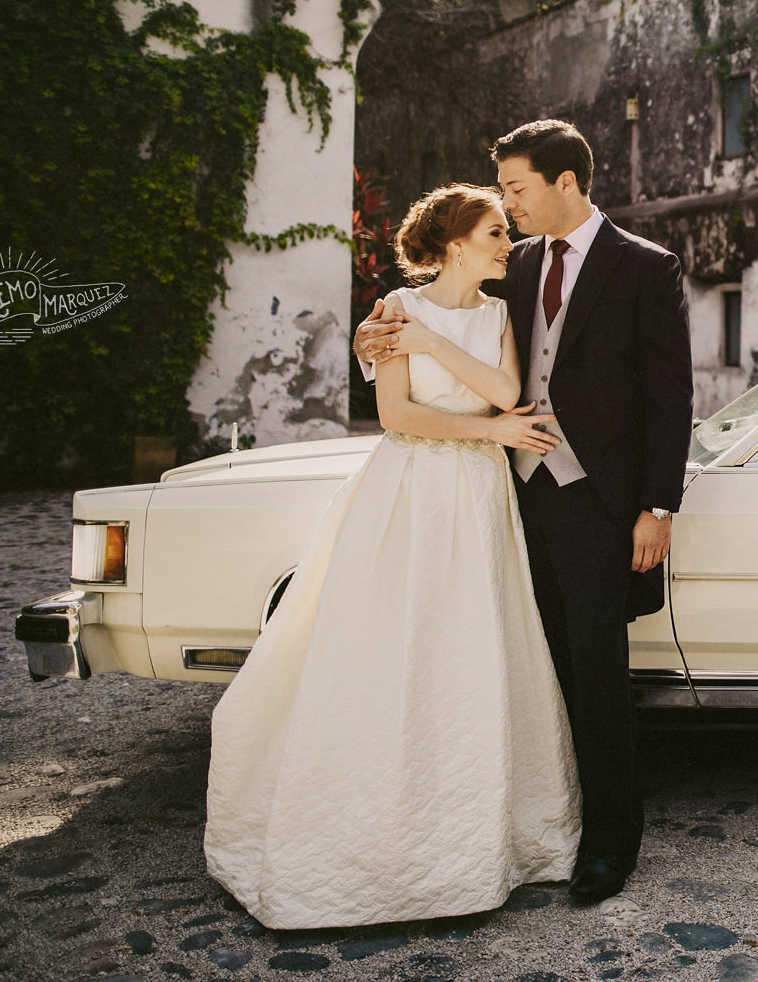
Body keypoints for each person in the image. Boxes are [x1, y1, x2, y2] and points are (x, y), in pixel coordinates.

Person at [205, 185, 578, 929]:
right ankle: (374, 838)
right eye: (495, 231)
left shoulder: (494, 313)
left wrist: (439, 345)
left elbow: (506, 389)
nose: (509, 243)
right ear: (455, 242)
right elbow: (398, 414)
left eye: (506, 230)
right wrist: (488, 429)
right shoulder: (393, 309)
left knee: (474, 650)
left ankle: (479, 839)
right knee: (395, 647)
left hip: (477, 499)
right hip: (413, 489)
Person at [354, 119, 692, 905]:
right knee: (528, 669)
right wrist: (372, 339)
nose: (508, 204)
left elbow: (668, 396)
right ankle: (544, 819)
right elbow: (443, 308)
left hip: (599, 503)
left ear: (564, 181)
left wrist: (656, 506)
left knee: (598, 671)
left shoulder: (645, 267)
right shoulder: (516, 259)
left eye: (516, 187)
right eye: (502, 192)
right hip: (508, 498)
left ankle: (611, 841)